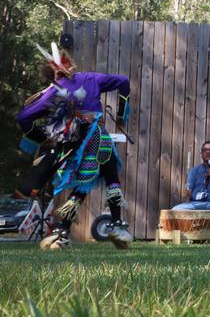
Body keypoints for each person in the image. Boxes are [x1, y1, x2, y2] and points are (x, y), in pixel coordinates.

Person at [14, 42, 134, 251]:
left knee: (84, 182)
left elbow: (23, 117)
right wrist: (123, 113)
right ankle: (115, 224)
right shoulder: (90, 78)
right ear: (69, 66)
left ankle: (62, 231)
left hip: (74, 145)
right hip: (97, 137)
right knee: (110, 173)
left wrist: (42, 137)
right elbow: (123, 81)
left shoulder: (52, 93)